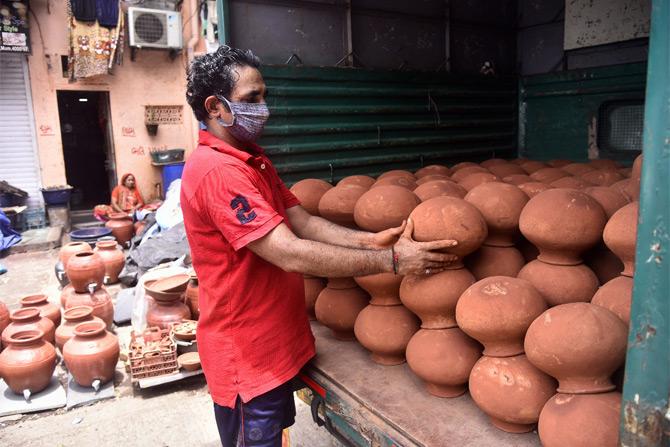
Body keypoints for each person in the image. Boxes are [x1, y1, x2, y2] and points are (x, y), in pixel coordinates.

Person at [181, 46, 459, 447]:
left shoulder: (250, 159)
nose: (265, 108)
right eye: (251, 99)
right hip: (245, 355)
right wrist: (392, 262)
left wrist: (367, 239)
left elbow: (302, 220)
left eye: (264, 96)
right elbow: (288, 251)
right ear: (215, 107)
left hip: (273, 346)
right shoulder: (216, 172)